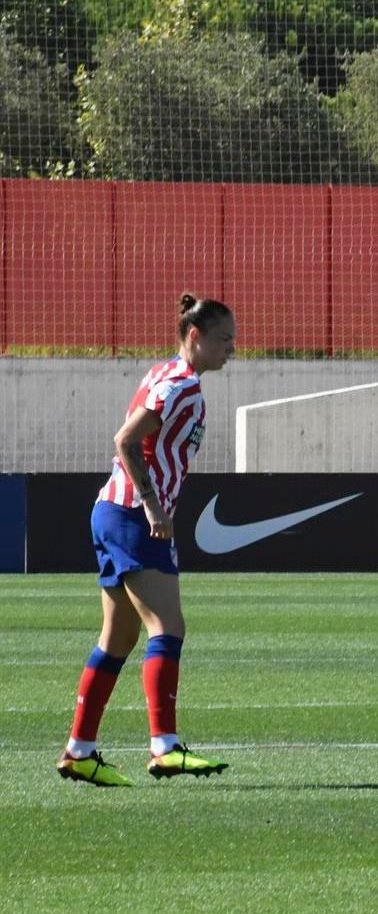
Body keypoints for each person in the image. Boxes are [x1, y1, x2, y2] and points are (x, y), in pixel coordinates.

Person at [58, 294, 235, 787]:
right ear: (195, 337)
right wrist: (154, 505)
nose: (232, 349)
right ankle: (165, 746)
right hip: (132, 513)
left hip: (112, 510)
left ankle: (79, 750)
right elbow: (125, 440)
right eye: (224, 339)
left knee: (118, 637)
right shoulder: (180, 386)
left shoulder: (168, 374)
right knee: (168, 626)